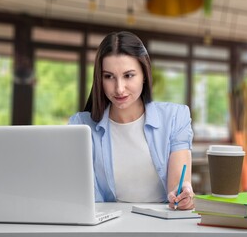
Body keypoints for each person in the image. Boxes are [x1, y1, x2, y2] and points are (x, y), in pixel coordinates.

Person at [69, 31, 194, 210]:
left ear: (144, 74)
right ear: (99, 79)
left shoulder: (175, 117)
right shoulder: (81, 126)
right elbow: (81, 194)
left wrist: (184, 193)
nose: (119, 89)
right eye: (109, 76)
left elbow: (178, 185)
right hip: (107, 225)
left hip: (163, 223)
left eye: (128, 75)